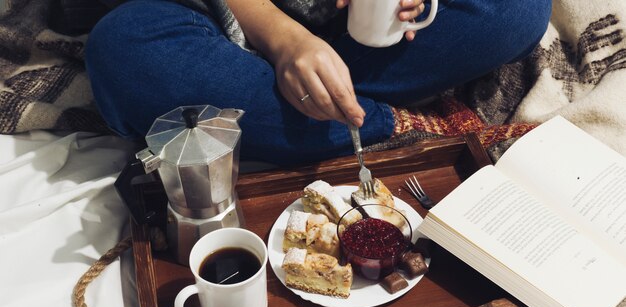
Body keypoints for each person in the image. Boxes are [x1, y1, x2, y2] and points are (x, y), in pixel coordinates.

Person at [85, 0, 552, 165]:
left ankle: (314, 102)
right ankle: (389, 123)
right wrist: (283, 39)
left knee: (518, 7)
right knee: (124, 54)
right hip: (207, 21)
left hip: (345, 22)